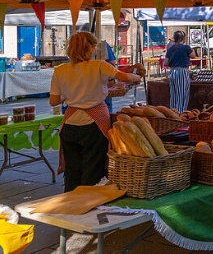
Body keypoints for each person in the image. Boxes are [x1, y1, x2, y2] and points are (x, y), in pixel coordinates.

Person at [49, 32, 144, 192]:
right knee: (92, 169)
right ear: (89, 48)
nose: (95, 50)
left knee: (72, 171)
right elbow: (123, 77)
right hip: (94, 125)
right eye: (93, 46)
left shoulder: (60, 70)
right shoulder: (99, 65)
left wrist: (72, 95)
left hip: (70, 125)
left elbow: (54, 101)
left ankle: (72, 203)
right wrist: (136, 77)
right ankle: (89, 204)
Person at [166, 30, 194, 112]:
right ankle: (180, 113)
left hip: (172, 71)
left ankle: (172, 113)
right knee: (182, 94)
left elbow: (166, 62)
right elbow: (193, 55)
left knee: (173, 94)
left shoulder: (170, 48)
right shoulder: (186, 47)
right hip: (182, 71)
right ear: (184, 38)